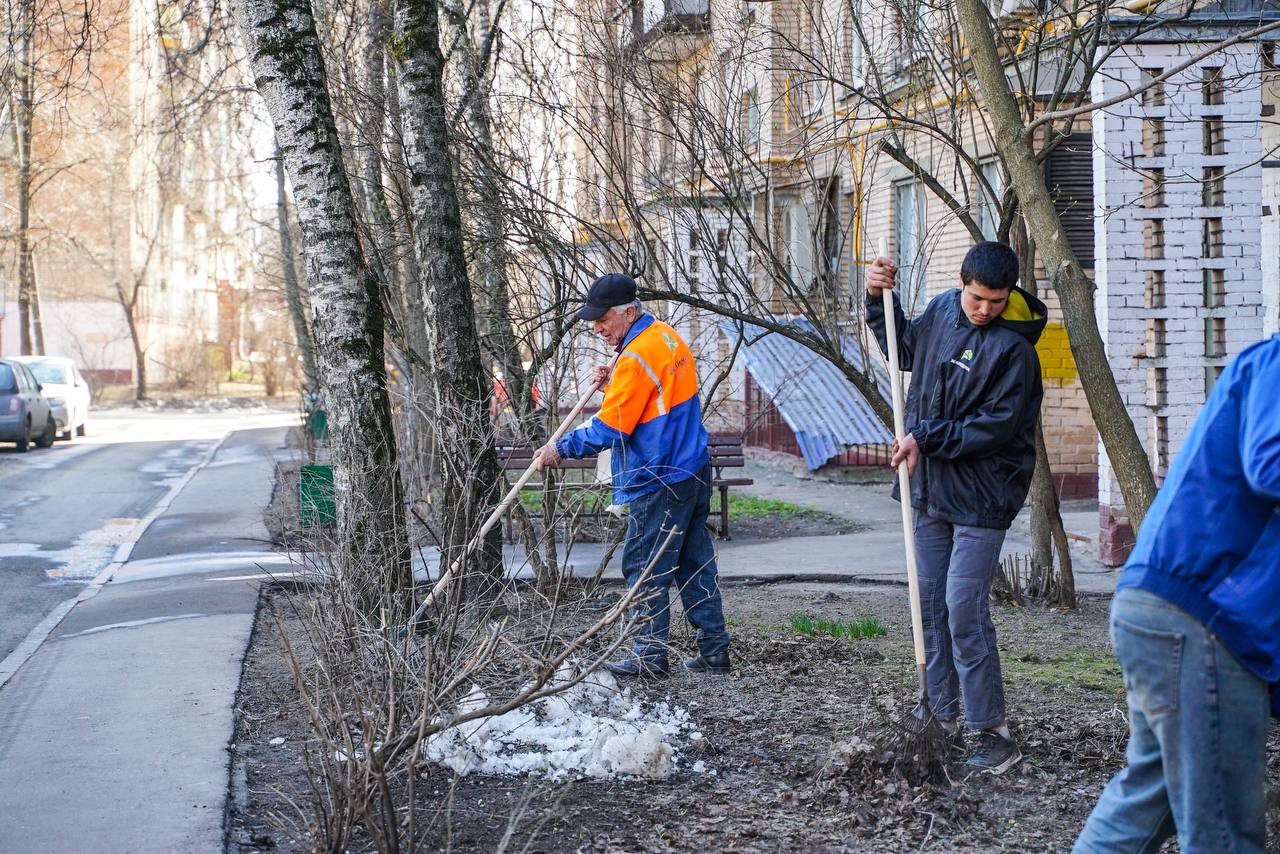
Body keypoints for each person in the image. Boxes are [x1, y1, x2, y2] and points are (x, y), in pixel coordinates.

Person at [1074, 336, 1280, 853]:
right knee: (1225, 835)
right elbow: (1270, 465)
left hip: (1167, 609)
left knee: (1149, 802)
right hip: (1203, 618)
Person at [865, 241, 1046, 774]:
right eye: (976, 297)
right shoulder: (945, 308)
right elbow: (903, 349)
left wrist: (924, 437)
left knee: (963, 608)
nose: (983, 309)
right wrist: (879, 302)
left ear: (1009, 295)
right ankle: (940, 718)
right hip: (930, 488)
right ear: (961, 283)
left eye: (995, 300)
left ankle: (991, 731)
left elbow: (994, 429)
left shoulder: (1016, 353)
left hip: (983, 495)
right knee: (929, 604)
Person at [533, 273, 731, 678]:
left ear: (627, 311)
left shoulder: (637, 357)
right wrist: (616, 377)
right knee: (695, 563)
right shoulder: (664, 336)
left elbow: (610, 429)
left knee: (645, 566)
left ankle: (649, 656)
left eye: (603, 320)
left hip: (657, 477)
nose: (597, 328)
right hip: (692, 467)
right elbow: (652, 400)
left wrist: (559, 448)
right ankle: (714, 650)